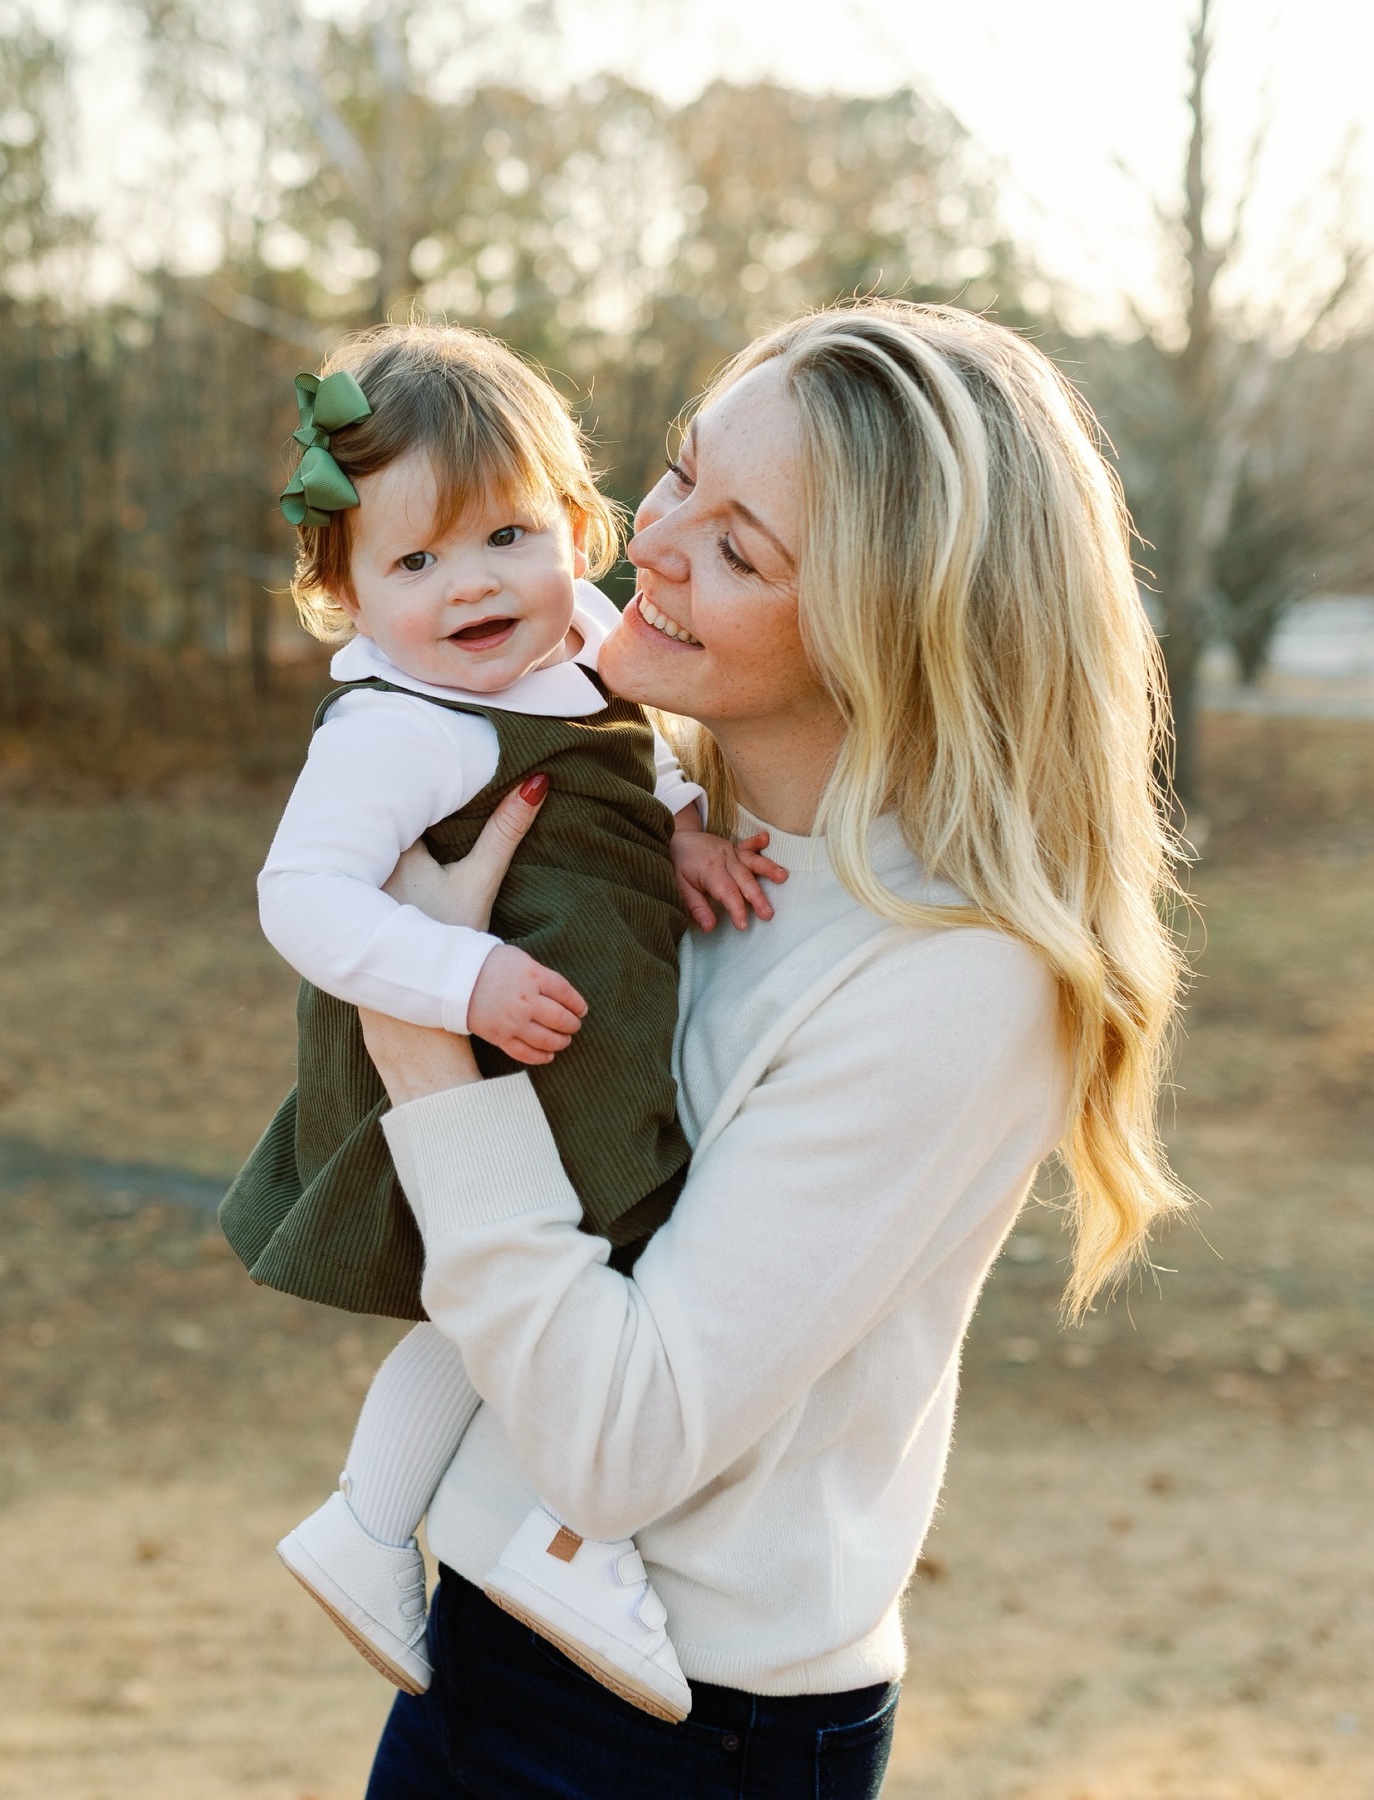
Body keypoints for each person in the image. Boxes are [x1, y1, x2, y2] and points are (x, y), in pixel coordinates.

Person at [350, 300, 1188, 1799]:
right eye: (678, 475)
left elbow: (619, 1447)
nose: (651, 544)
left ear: (891, 622)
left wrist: (424, 1037)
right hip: (480, 1635)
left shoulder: (954, 978)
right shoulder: (653, 809)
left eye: (742, 550)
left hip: (681, 1736)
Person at [219, 322, 786, 1723]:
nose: (471, 586)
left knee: (546, 1292)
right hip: (483, 1047)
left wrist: (689, 828)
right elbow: (300, 897)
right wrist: (453, 980)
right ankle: (565, 1537)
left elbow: (633, 759)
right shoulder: (399, 729)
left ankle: (373, 1520)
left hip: (563, 1039)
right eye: (414, 563)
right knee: (604, 1259)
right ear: (344, 592)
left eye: (507, 537)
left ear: (577, 530)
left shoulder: (584, 631)